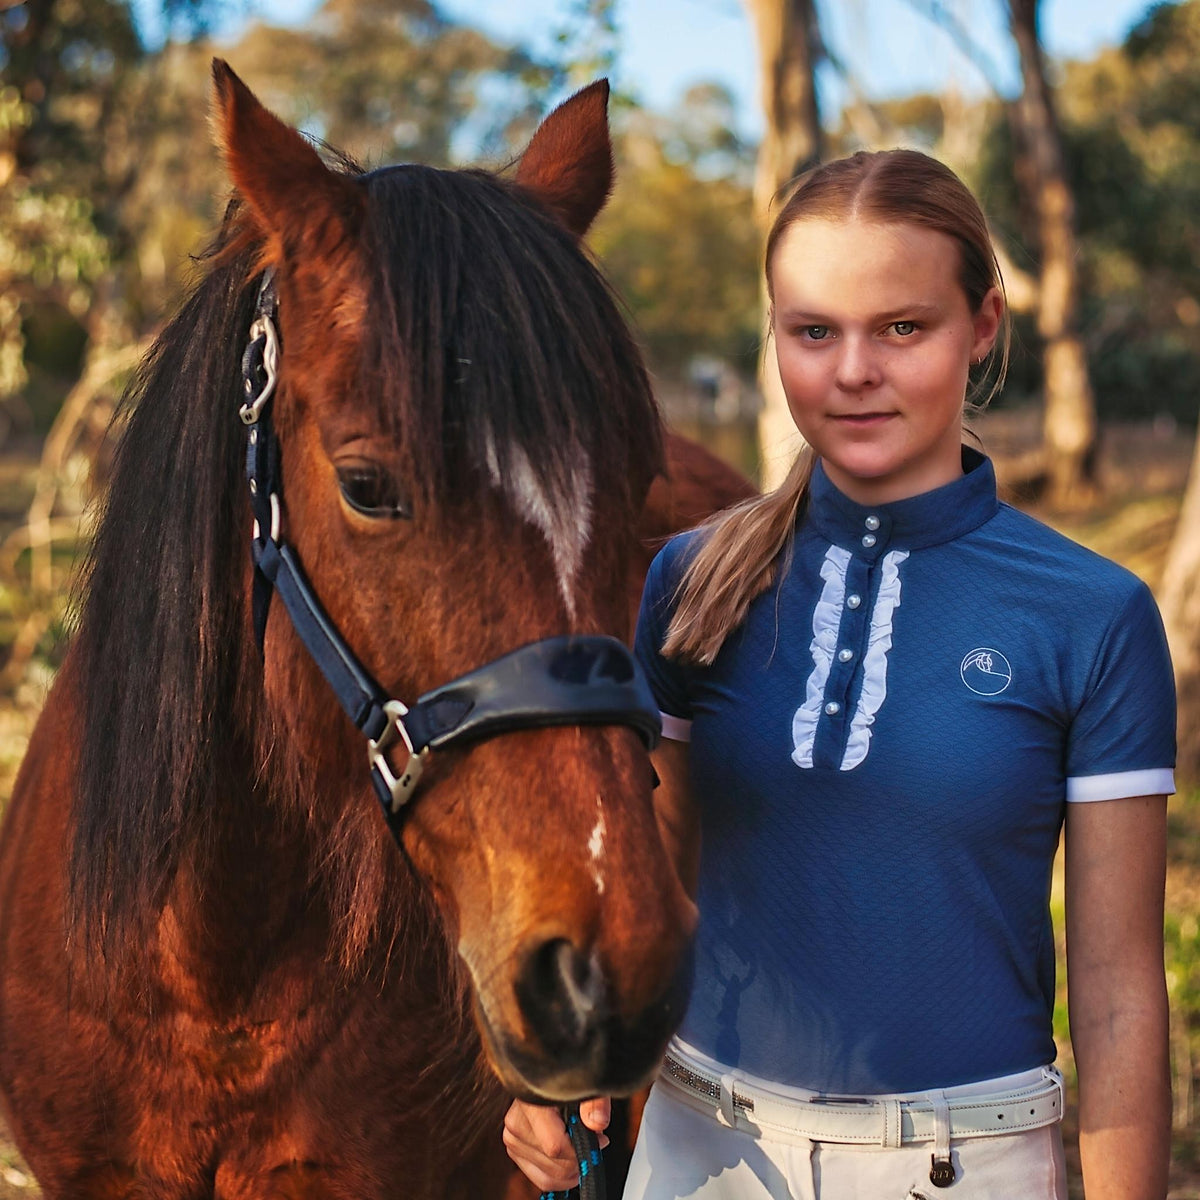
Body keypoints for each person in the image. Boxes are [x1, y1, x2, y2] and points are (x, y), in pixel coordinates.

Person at [503, 149, 1174, 1200]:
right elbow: (653, 886)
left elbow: (1122, 990)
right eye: (814, 331)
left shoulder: (1092, 615)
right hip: (699, 1152)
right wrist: (565, 1083)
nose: (853, 371)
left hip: (969, 1165)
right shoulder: (691, 579)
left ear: (983, 325)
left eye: (903, 327)